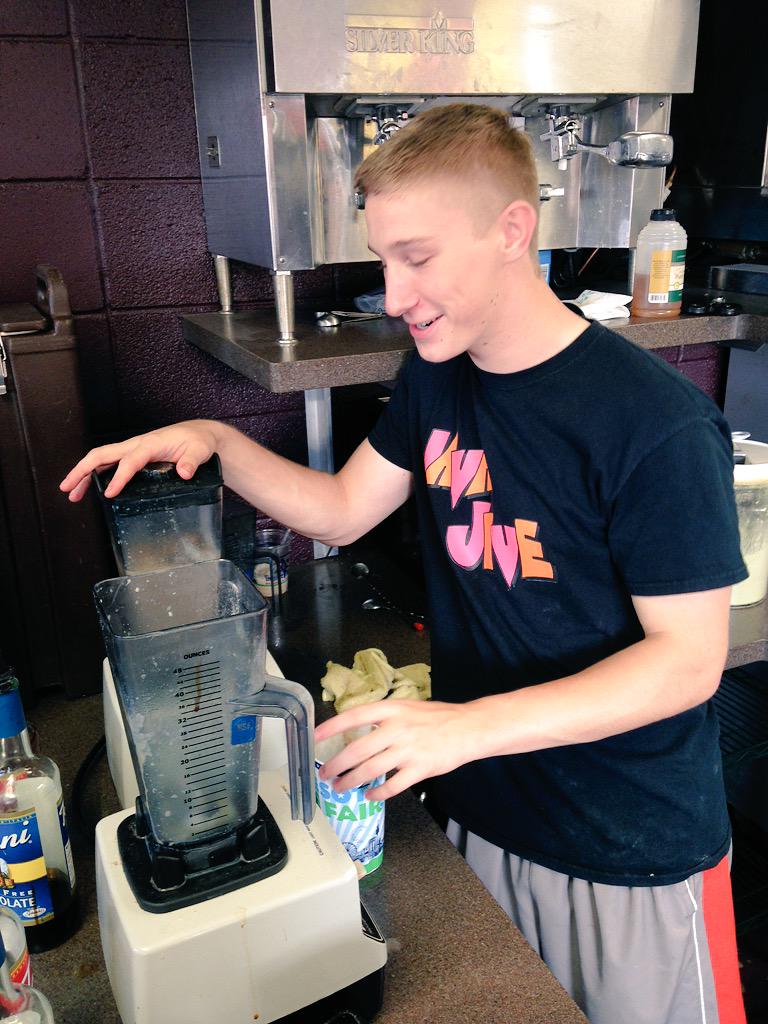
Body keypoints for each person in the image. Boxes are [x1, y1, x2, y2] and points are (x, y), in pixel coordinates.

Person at [61, 104, 747, 1024]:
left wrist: (461, 728)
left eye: (416, 258)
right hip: (486, 805)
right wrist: (216, 440)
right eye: (383, 258)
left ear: (512, 230)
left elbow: (687, 662)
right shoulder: (437, 375)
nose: (393, 292)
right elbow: (343, 512)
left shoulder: (651, 424)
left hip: (621, 839)